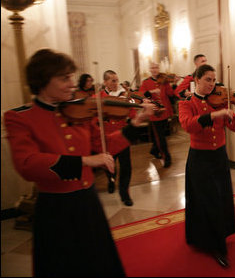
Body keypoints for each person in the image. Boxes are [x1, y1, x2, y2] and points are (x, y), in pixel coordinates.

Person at [3, 49, 154, 276]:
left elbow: (104, 146)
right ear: (43, 80)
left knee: (97, 263)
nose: (72, 84)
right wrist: (85, 161)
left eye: (72, 77)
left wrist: (135, 124)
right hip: (55, 208)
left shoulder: (76, 112)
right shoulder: (20, 118)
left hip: (87, 202)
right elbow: (27, 163)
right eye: (65, 78)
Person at [178, 64, 235, 268]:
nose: (212, 84)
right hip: (200, 159)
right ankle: (215, 245)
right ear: (197, 80)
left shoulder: (220, 100)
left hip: (219, 157)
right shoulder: (187, 103)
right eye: (208, 79)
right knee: (207, 201)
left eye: (214, 80)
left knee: (220, 199)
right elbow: (188, 125)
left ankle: (218, 237)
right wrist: (214, 115)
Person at [99, 70, 137, 206]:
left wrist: (132, 109)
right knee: (109, 165)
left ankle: (125, 193)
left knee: (126, 166)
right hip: (107, 139)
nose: (116, 83)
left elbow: (132, 114)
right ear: (105, 82)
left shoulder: (123, 97)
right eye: (113, 80)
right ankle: (110, 180)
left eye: (117, 80)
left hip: (122, 137)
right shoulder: (99, 97)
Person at [139, 62, 175, 167]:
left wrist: (173, 84)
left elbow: (170, 94)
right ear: (150, 69)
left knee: (160, 135)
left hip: (165, 111)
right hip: (155, 113)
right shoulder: (145, 82)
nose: (154, 70)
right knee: (161, 138)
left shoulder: (164, 80)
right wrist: (152, 91)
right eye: (152, 68)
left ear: (158, 69)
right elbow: (141, 95)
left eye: (156, 67)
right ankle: (167, 158)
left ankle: (154, 150)